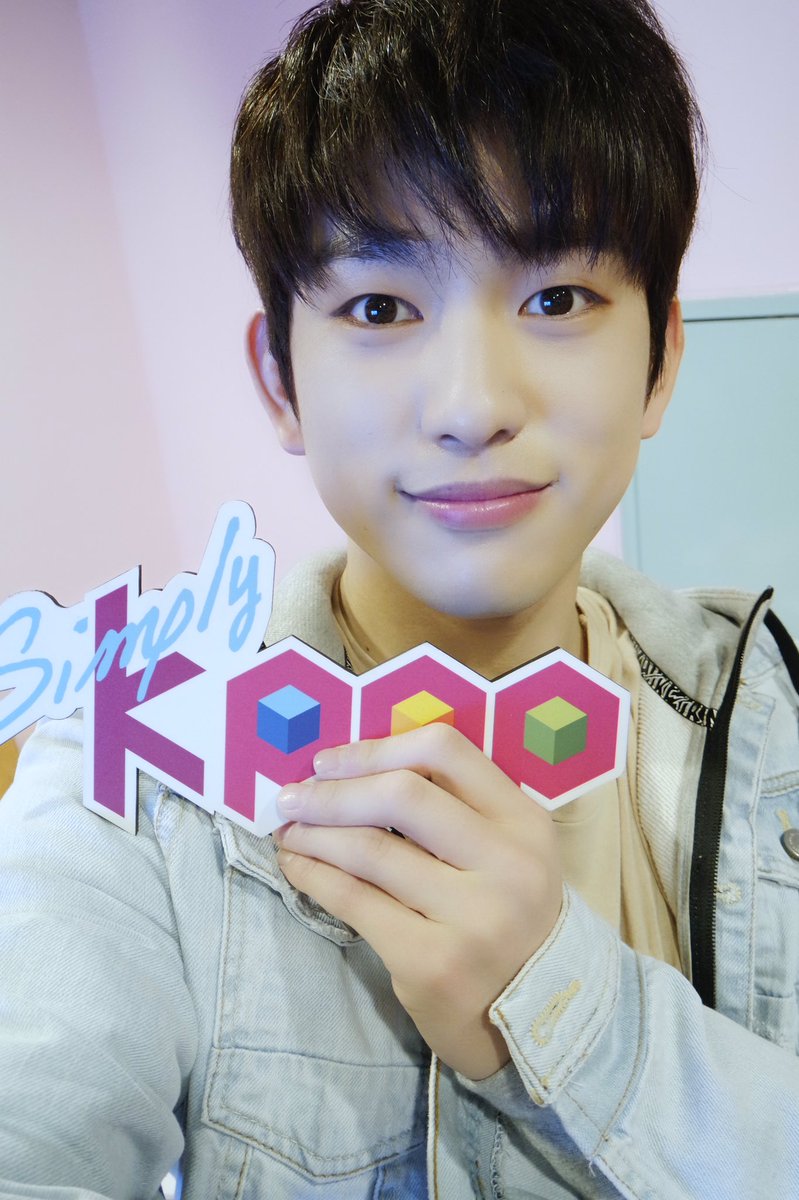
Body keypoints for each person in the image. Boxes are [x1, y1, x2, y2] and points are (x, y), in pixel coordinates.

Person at [1, 0, 798, 1196]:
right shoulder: (138, 781)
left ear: (661, 360)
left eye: (557, 298)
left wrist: (560, 1004)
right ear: (279, 380)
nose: (472, 405)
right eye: (378, 308)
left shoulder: (775, 705)